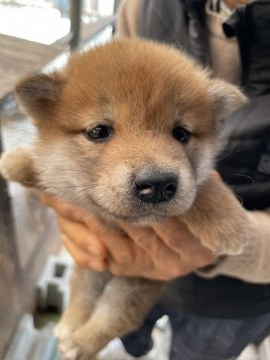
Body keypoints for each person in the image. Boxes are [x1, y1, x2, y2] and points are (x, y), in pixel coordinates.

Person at [43, 0, 270, 359]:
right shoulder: (143, 7)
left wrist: (234, 247)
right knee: (129, 332)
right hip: (128, 262)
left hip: (232, 300)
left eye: (180, 133)